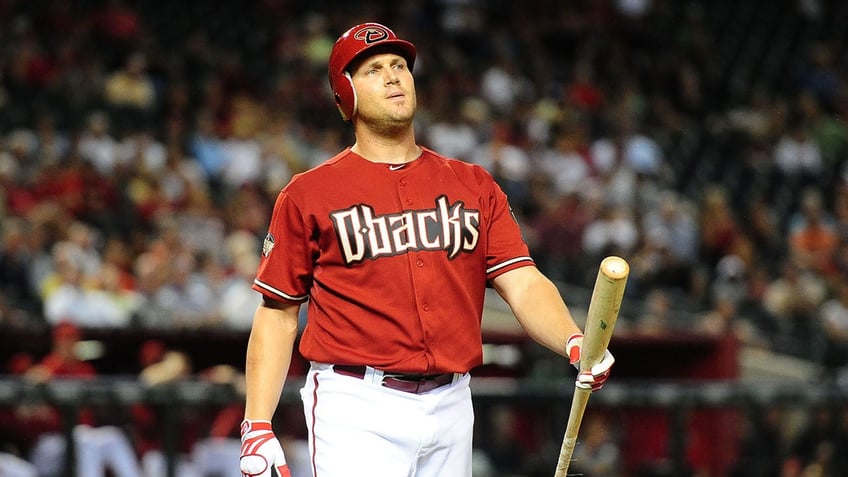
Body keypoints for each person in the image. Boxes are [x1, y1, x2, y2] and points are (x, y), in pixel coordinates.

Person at [239, 22, 615, 477]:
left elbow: (522, 280)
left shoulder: (473, 183)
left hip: (452, 400)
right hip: (357, 404)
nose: (394, 76)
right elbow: (277, 312)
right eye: (374, 69)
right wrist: (257, 424)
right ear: (346, 94)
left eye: (399, 65)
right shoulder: (309, 194)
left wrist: (574, 340)